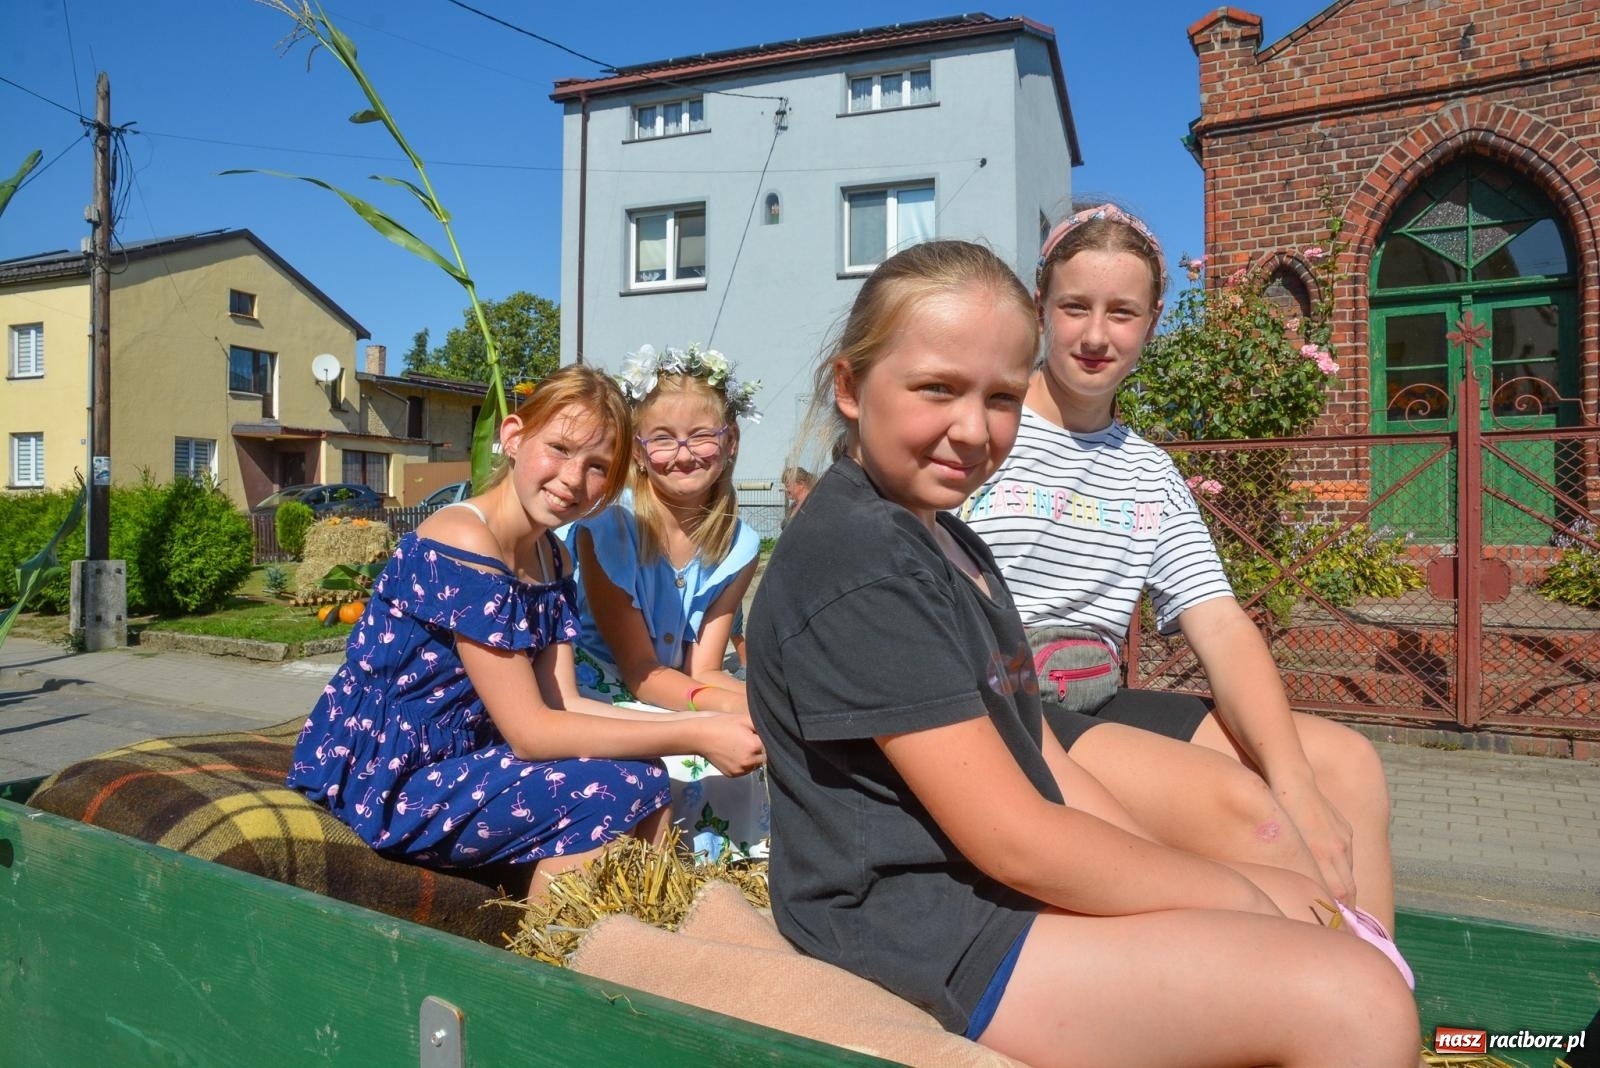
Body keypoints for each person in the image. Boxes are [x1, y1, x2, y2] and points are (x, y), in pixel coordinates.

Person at [747, 239, 1418, 1066]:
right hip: (913, 925)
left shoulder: (954, 546)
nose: (971, 428)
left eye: (999, 398)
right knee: (1355, 1007)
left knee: (1326, 941)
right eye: (936, 389)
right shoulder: (861, 562)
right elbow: (1015, 839)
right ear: (852, 387)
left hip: (973, 889)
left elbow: (1040, 750)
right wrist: (1234, 893)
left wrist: (1183, 881)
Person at [962, 203, 1402, 933]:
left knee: (1344, 766)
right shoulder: (987, 430)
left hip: (1096, 693)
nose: (1096, 335)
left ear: (1154, 320)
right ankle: (1318, 997)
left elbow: (1221, 625)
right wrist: (1280, 803)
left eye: (1122, 312)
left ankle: (1382, 990)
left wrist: (1297, 784)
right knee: (1247, 815)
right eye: (1075, 307)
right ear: (1040, 305)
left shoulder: (1149, 472)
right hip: (1005, 704)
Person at [288, 365, 764, 893]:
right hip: (389, 772)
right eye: (559, 449)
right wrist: (694, 732)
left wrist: (685, 731)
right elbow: (532, 732)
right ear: (512, 437)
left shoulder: (551, 557)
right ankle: (558, 951)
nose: (572, 478)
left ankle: (641, 928)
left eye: (597, 465)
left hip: (465, 756)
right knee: (618, 787)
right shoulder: (465, 541)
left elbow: (562, 702)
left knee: (648, 776)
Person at [567, 343, 766, 855]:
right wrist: (717, 715)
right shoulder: (610, 527)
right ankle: (667, 880)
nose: (684, 454)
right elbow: (638, 671)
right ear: (637, 450)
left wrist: (766, 709)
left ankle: (719, 885)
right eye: (663, 439)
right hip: (603, 691)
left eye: (701, 435)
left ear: (731, 441)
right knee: (693, 756)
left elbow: (707, 668)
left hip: (674, 688)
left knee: (744, 751)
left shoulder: (738, 543)